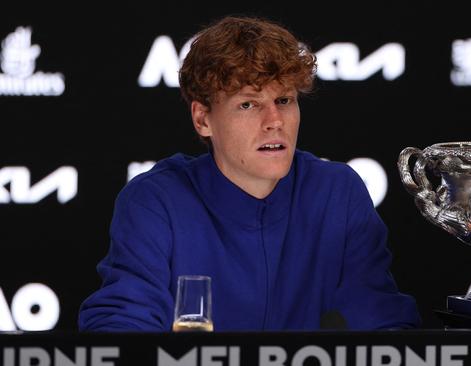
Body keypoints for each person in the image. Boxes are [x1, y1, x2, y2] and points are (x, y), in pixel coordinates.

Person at [78, 16, 420, 331]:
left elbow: (382, 327)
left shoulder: (337, 193)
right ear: (202, 119)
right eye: (248, 104)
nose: (274, 120)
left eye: (284, 100)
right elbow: (121, 328)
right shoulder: (156, 201)